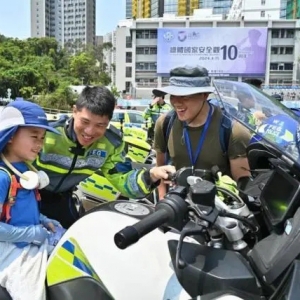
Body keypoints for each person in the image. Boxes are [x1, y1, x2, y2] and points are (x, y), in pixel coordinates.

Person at [34, 86, 175, 228]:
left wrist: (151, 176)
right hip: (26, 197)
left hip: (62, 200)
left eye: (100, 125)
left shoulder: (112, 144)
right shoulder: (46, 133)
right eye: (85, 122)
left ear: (108, 122)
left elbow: (124, 180)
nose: (90, 132)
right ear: (74, 111)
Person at [153, 66, 251, 200]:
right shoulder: (164, 123)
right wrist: (163, 205)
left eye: (185, 96)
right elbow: (161, 171)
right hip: (177, 206)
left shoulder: (233, 130)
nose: (176, 102)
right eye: (173, 95)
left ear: (204, 95)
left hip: (218, 213)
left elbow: (242, 187)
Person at [0, 100, 64, 300]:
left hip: (29, 239)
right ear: (10, 135)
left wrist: (44, 220)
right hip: (10, 247)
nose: (40, 144)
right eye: (34, 136)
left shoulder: (27, 170)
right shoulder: (3, 176)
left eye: (43, 138)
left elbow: (20, 208)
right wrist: (31, 233)